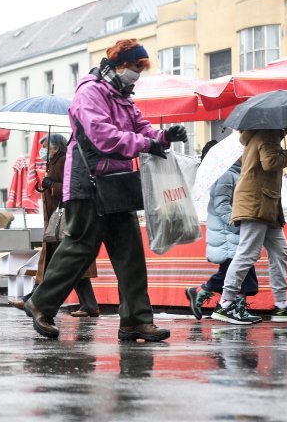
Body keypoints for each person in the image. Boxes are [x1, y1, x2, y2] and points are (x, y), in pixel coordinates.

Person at [23, 39, 187, 341]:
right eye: (135, 68)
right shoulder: (91, 92)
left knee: (130, 253)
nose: (137, 75)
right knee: (80, 247)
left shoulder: (122, 96)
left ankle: (136, 321)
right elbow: (104, 137)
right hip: (87, 181)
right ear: (118, 65)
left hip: (116, 182)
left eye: (141, 69)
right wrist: (146, 144)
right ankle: (39, 303)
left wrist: (163, 136)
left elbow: (141, 128)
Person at [212, 129, 287, 324]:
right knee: (247, 252)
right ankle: (225, 303)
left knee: (279, 251)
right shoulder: (268, 134)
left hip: (267, 205)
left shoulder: (261, 135)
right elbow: (270, 162)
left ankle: (282, 304)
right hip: (257, 204)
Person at [9, 133, 100, 316]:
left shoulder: (64, 161)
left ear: (56, 147)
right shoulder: (55, 162)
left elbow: (68, 188)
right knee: (64, 265)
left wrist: (51, 184)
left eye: (46, 147)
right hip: (56, 222)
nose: (43, 151)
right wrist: (44, 186)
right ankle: (89, 305)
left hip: (64, 222)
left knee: (60, 265)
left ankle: (33, 301)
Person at [184, 160, 261, 324]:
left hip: (234, 234)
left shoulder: (239, 173)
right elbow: (222, 205)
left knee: (239, 272)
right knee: (236, 272)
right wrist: (237, 224)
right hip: (228, 234)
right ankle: (212, 298)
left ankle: (231, 305)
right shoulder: (226, 174)